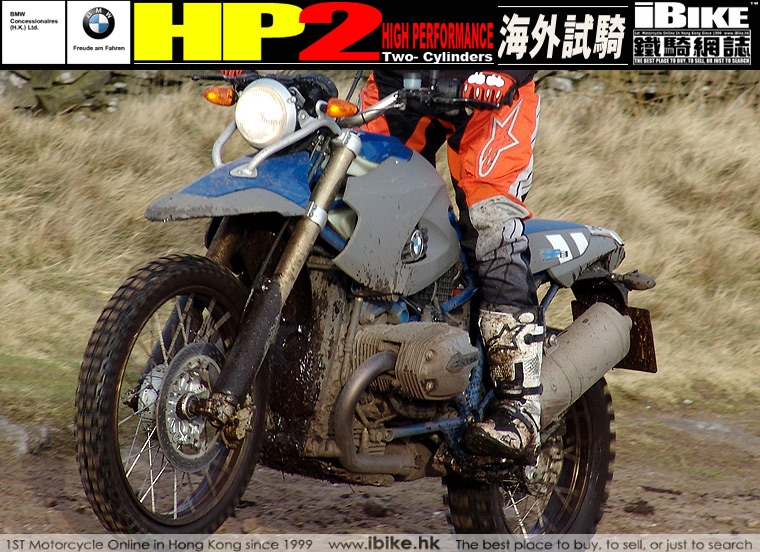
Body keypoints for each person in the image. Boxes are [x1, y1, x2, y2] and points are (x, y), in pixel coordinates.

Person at [360, 70, 543, 461]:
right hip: (405, 78)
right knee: (354, 188)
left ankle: (519, 408)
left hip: (492, 89)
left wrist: (509, 72)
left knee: (490, 221)